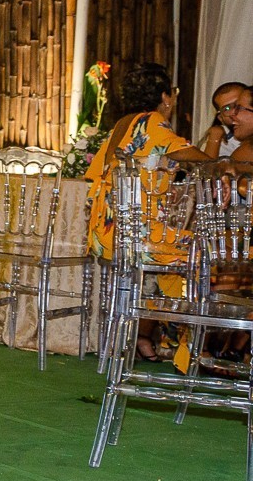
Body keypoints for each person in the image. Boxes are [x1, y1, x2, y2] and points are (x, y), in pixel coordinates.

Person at [84, 63, 210, 367]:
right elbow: (191, 156)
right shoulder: (152, 121)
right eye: (174, 94)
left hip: (108, 232)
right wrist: (221, 162)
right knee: (204, 253)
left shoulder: (123, 123)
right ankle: (190, 350)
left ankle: (146, 334)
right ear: (165, 96)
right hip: (139, 235)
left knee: (176, 256)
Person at [199, 81, 247, 158]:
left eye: (239, 104)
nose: (235, 112)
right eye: (227, 108)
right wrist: (214, 139)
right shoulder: (218, 144)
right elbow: (207, 168)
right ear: (221, 118)